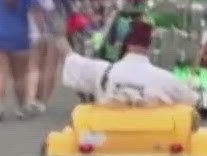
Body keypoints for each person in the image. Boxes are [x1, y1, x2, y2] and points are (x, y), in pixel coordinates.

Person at [59, 19, 198, 106]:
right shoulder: (166, 79)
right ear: (149, 47)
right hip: (152, 141)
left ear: (125, 45)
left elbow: (71, 60)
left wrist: (55, 34)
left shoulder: (102, 71)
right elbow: (190, 100)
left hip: (109, 138)